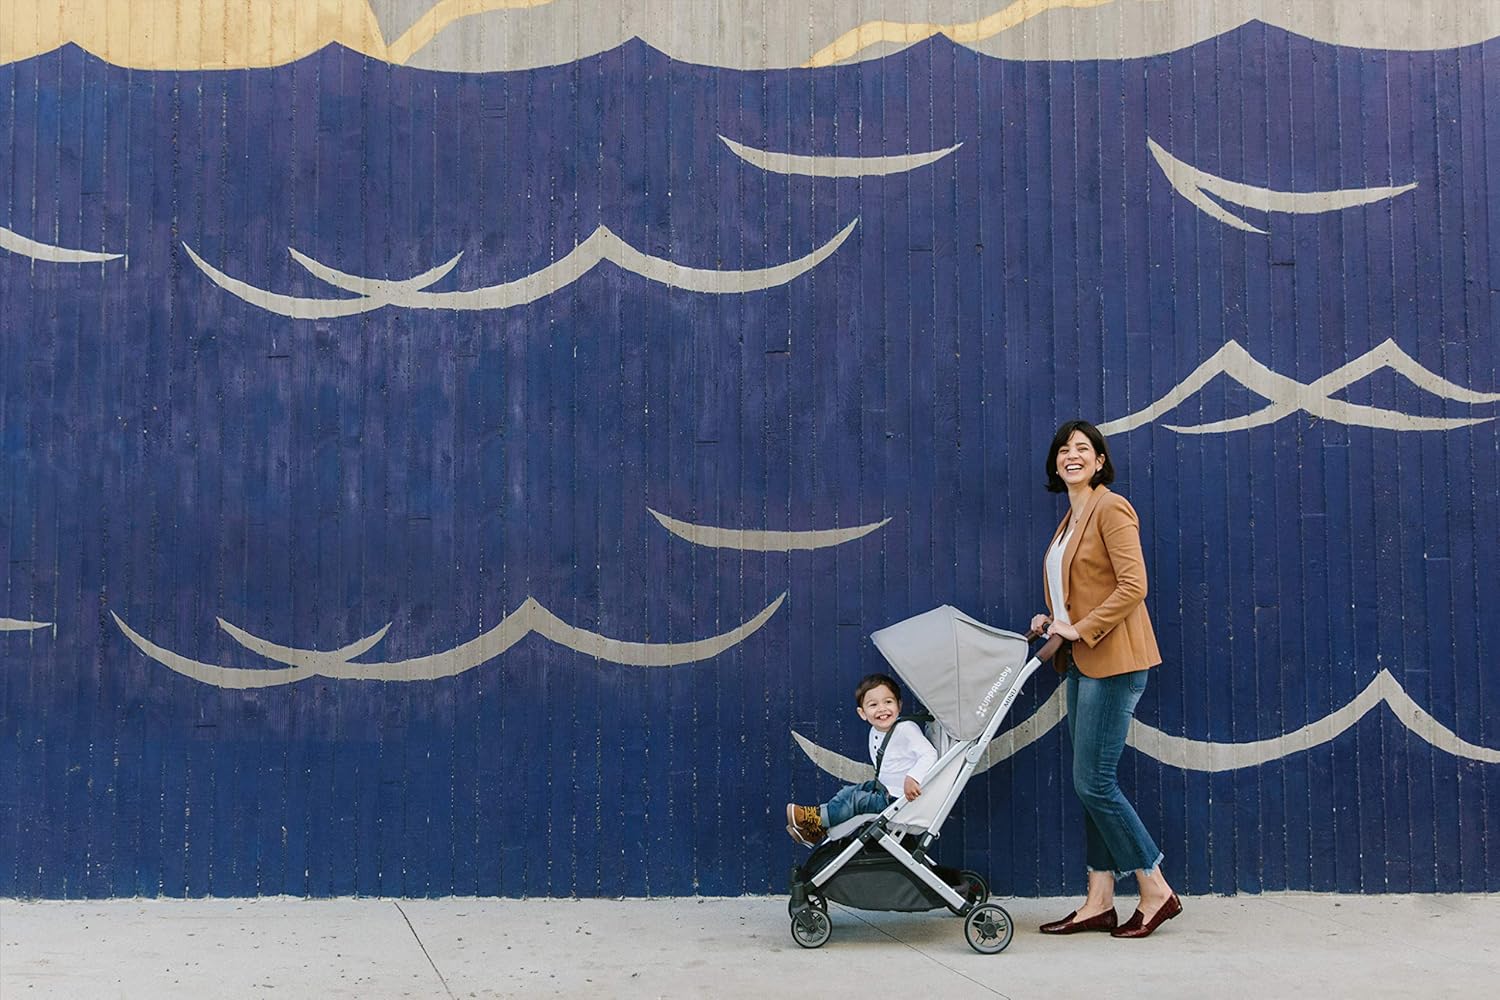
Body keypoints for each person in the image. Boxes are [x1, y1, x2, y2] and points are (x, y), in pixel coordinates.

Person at [1029, 419, 1183, 939]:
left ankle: (1155, 888)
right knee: (1089, 784)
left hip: (1113, 658)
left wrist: (1081, 626)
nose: (1072, 455)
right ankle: (1098, 901)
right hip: (1081, 659)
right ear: (1056, 463)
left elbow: (1133, 584)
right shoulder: (1069, 520)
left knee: (1094, 782)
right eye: (1064, 449)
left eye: (1084, 449)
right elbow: (1080, 588)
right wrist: (1052, 618)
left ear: (1099, 462)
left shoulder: (1110, 507)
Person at [786, 673, 938, 847]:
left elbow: (929, 754)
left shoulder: (906, 729)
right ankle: (816, 829)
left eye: (888, 702)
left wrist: (913, 777)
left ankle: (816, 819)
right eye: (873, 705)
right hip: (884, 789)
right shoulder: (875, 732)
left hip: (899, 800)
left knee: (856, 801)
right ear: (862, 713)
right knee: (850, 792)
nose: (882, 709)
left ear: (899, 705)